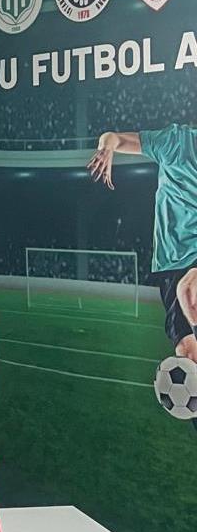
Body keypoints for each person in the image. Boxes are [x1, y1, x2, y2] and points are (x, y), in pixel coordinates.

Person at [88, 125, 197, 362]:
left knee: (190, 289)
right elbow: (113, 137)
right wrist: (107, 148)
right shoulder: (176, 141)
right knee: (188, 352)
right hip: (172, 261)